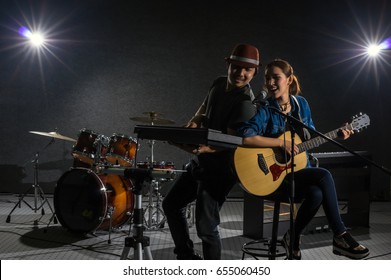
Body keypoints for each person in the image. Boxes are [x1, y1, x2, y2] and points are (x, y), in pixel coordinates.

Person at [236, 58, 370, 260]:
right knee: (324, 175)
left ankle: (292, 237)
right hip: (274, 178)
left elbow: (311, 138)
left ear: (289, 79)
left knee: (316, 193)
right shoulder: (266, 108)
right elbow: (246, 136)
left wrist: (338, 135)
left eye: (276, 78)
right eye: (267, 78)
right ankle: (340, 235)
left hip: (297, 173)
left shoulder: (302, 105)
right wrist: (280, 144)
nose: (271, 83)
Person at [162, 44, 260, 260]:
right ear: (228, 64)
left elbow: (234, 141)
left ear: (254, 73)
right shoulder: (217, 83)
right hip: (202, 161)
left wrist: (206, 148)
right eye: (236, 67)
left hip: (221, 170)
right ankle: (186, 256)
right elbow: (203, 109)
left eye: (247, 70)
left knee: (206, 228)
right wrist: (193, 124)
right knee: (171, 204)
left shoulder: (245, 103)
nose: (241, 74)